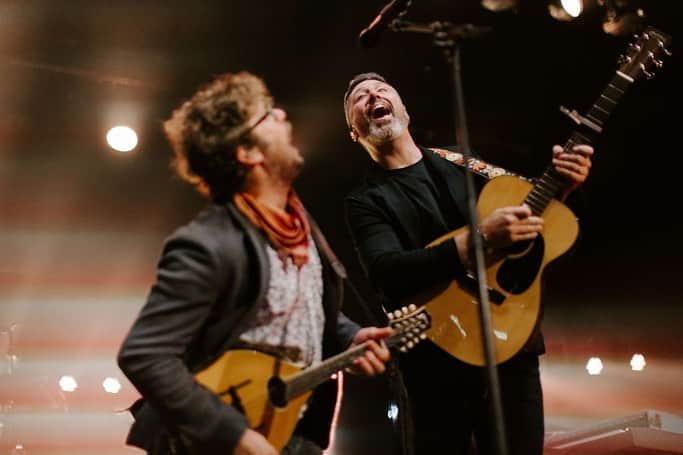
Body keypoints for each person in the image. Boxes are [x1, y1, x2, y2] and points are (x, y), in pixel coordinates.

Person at [117, 71, 393, 455]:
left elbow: (304, 309)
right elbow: (144, 354)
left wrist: (349, 338)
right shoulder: (208, 242)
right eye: (268, 115)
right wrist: (235, 437)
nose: (282, 115)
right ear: (248, 152)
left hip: (292, 431)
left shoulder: (299, 223)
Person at [341, 72, 594, 455]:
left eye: (382, 89)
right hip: (436, 362)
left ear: (405, 112)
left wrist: (564, 189)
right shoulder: (365, 200)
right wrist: (479, 240)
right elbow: (387, 272)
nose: (372, 95)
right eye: (360, 97)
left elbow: (531, 226)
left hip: (509, 347)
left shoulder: (461, 162)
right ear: (354, 133)